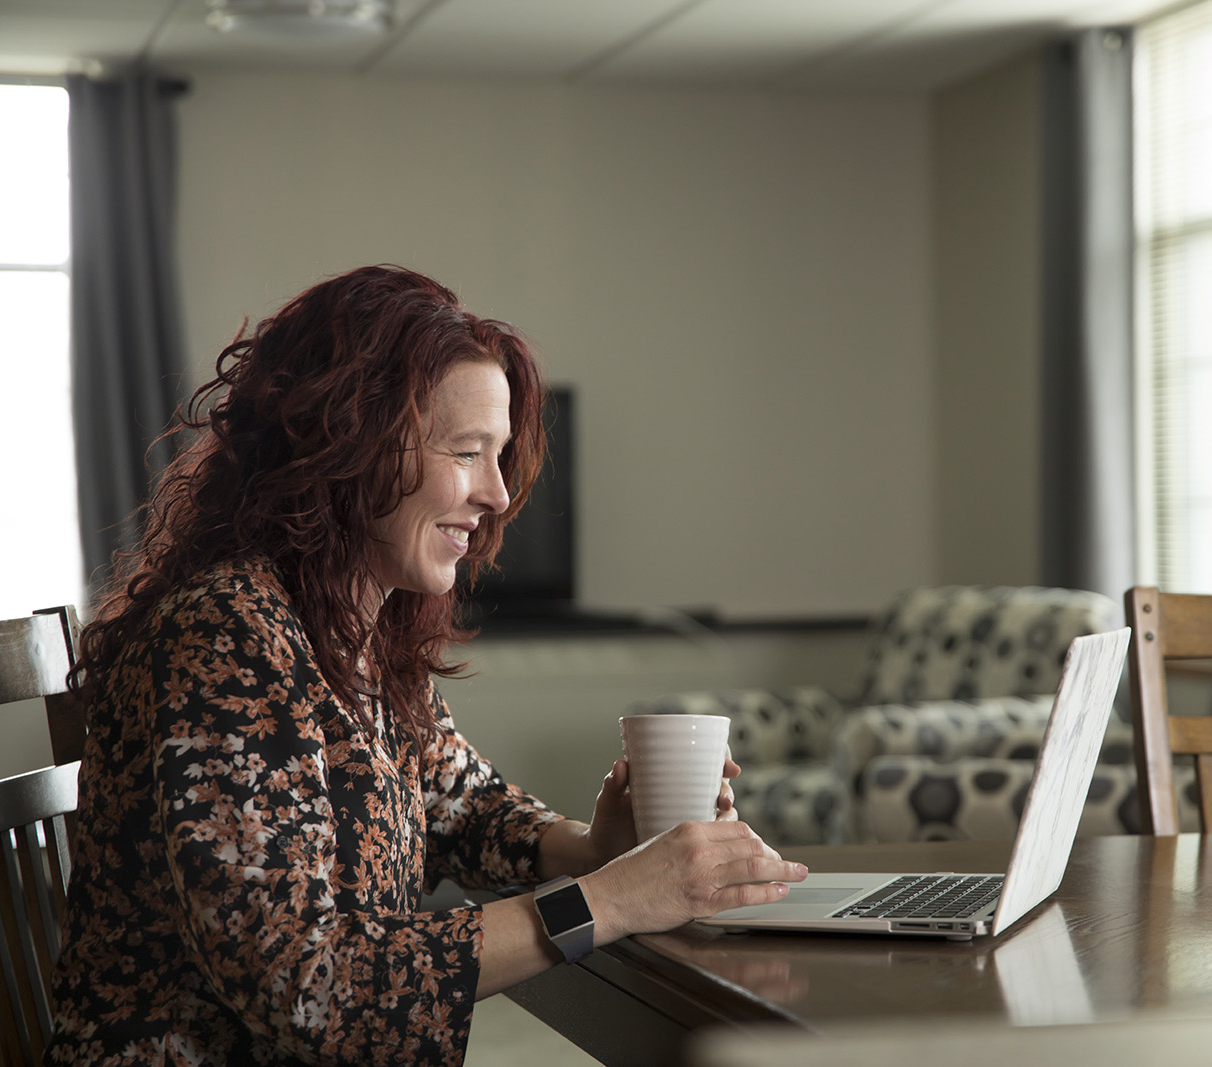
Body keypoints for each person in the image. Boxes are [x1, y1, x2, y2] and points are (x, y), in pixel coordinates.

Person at [44, 265, 807, 1066]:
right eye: (468, 451)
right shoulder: (225, 639)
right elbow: (312, 985)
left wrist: (588, 846)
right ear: (348, 445)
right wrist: (610, 899)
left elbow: (459, 805)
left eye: (501, 454)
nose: (499, 493)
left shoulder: (359, 630)